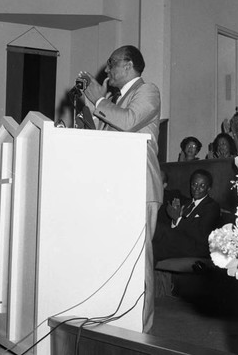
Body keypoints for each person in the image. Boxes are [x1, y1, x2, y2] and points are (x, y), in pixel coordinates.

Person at [78, 45, 162, 334]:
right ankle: (118, 325)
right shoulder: (113, 100)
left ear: (128, 65)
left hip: (139, 186)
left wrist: (99, 99)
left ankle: (142, 331)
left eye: (112, 63)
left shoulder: (148, 91)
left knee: (140, 263)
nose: (107, 70)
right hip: (117, 187)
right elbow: (105, 138)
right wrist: (91, 105)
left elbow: (127, 122)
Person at [152, 169, 220, 264]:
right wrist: (174, 221)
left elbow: (201, 234)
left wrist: (177, 219)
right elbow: (177, 229)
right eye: (194, 184)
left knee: (158, 229)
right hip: (180, 243)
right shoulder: (187, 203)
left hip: (197, 248)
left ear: (208, 188)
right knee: (151, 247)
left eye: (202, 186)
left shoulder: (212, 206)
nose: (196, 188)